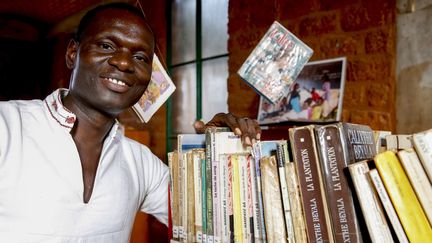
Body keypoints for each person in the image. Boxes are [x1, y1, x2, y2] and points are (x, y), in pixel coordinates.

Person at [0, 3, 260, 242]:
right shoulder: (8, 127)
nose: (124, 62)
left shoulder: (141, 163)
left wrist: (220, 154)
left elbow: (210, 224)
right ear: (72, 53)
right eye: (106, 46)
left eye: (140, 57)